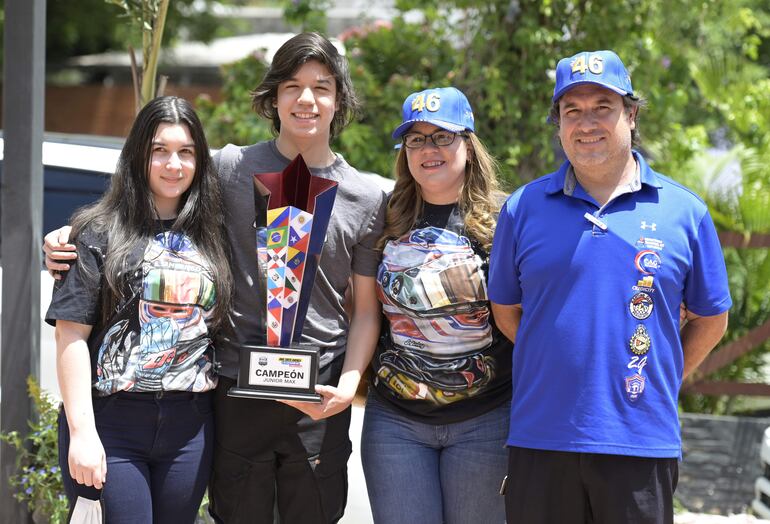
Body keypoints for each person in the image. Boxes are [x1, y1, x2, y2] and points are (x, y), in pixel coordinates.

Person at [45, 32, 386, 524]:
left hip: (319, 394)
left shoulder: (366, 197)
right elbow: (145, 206)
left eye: (322, 87)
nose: (306, 99)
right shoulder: (228, 168)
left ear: (340, 99)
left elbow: (366, 309)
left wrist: (349, 385)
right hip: (232, 387)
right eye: (292, 86)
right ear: (273, 97)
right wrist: (68, 234)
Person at [487, 50, 732, 524]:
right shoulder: (522, 209)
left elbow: (712, 318)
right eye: (572, 110)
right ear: (558, 123)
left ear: (631, 114)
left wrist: (659, 375)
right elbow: (508, 312)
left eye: (603, 107)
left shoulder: (685, 212)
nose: (587, 124)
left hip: (641, 440)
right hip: (542, 438)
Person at [46, 95, 232, 522]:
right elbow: (70, 335)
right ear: (138, 155)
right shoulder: (98, 232)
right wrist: (82, 433)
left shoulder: (215, 234)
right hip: (112, 423)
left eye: (186, 152)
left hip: (191, 427)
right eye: (159, 150)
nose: (173, 164)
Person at [361, 87, 511, 524]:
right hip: (396, 422)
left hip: (486, 419)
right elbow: (364, 310)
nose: (429, 149)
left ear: (469, 144)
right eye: (416, 139)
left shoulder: (507, 219)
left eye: (443, 136)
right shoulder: (383, 216)